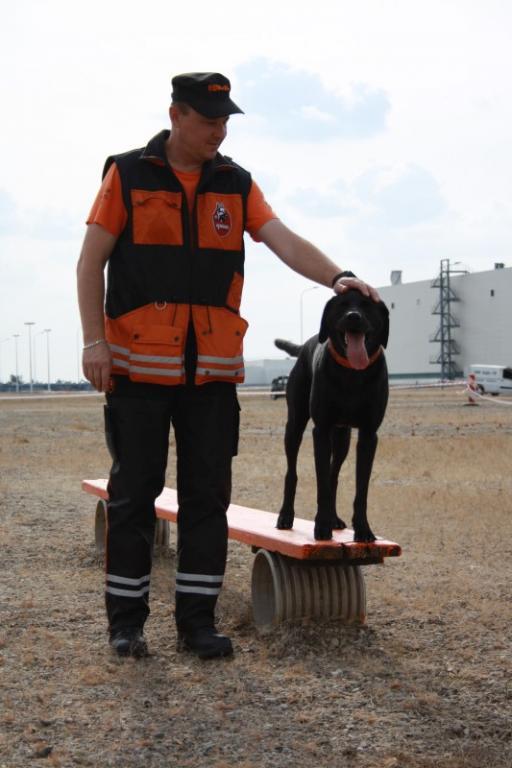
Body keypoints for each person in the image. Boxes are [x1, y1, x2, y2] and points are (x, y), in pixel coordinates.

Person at [77, 72, 380, 660]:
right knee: (133, 499)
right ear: (176, 115)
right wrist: (95, 343)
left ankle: (197, 624)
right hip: (138, 375)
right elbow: (90, 264)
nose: (219, 131)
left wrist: (337, 276)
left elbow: (282, 238)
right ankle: (126, 625)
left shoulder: (235, 183)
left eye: (225, 122)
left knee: (207, 501)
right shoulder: (128, 174)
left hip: (211, 379)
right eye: (209, 120)